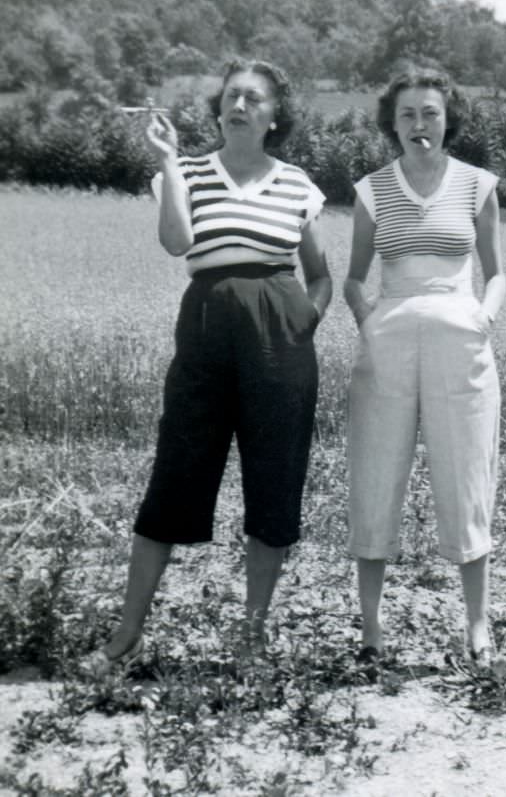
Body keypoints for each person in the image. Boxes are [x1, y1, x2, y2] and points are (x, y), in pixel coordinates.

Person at [86, 58, 332, 674]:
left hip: (281, 345)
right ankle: (126, 635)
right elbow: (177, 242)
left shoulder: (299, 184)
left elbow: (321, 275)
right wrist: (168, 162)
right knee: (176, 472)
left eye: (254, 98)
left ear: (276, 115)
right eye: (231, 97)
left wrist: (303, 321)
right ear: (219, 108)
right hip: (205, 336)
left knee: (273, 484)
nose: (240, 106)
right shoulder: (189, 170)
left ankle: (252, 639)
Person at [343, 64, 505, 668]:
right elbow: (354, 278)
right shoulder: (371, 189)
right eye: (408, 113)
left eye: (430, 113)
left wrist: (482, 318)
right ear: (393, 122)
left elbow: (497, 270)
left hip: (460, 343)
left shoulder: (477, 185)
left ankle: (478, 626)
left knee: (467, 477)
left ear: (447, 119)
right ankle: (371, 629)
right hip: (388, 349)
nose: (419, 124)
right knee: (376, 474)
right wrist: (371, 322)